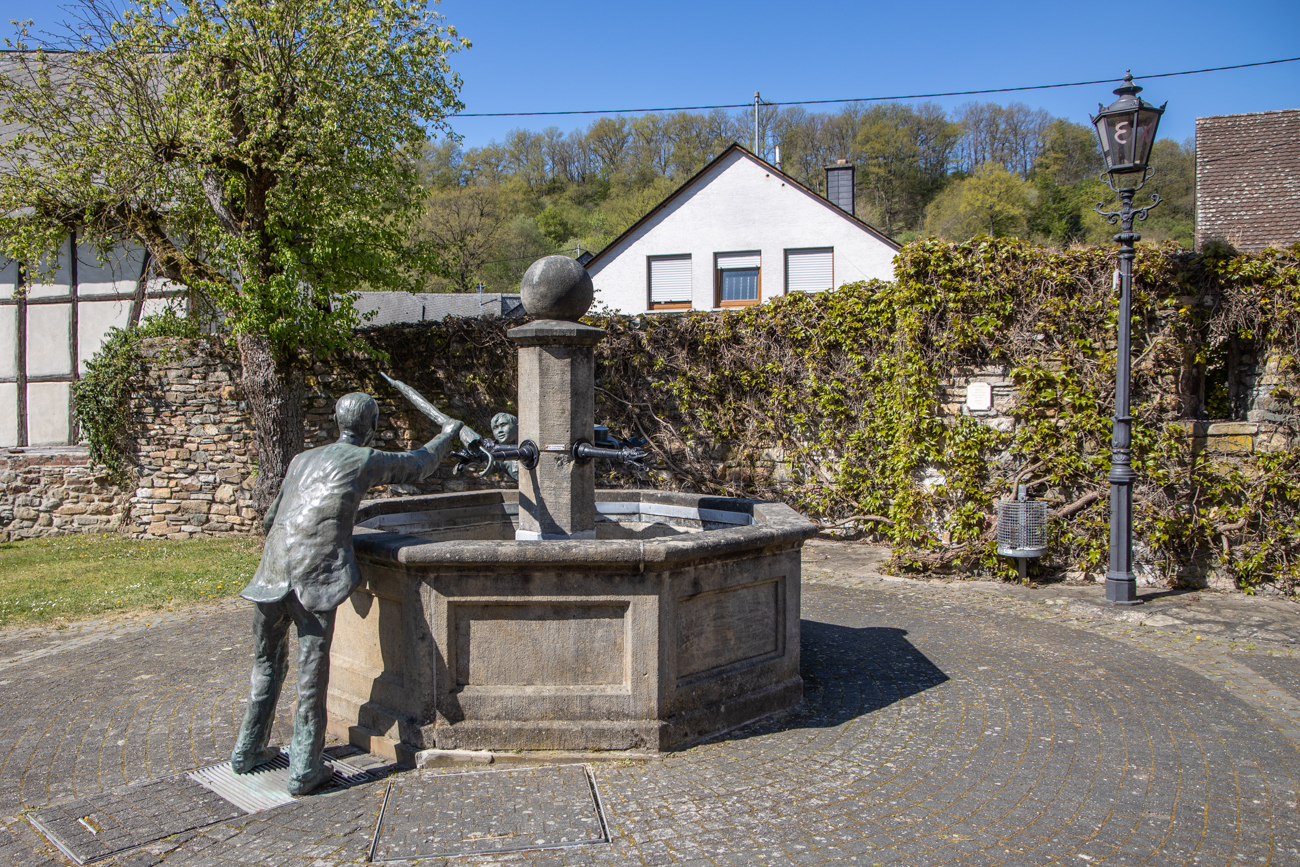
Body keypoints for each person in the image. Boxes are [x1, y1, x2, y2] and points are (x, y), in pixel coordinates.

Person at [230, 391, 462, 795]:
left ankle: (246, 750)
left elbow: (271, 518)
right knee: (311, 671)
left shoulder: (301, 460)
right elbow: (419, 466)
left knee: (266, 663)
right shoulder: (365, 458)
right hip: (314, 578)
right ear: (370, 427)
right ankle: (304, 768)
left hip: (272, 571)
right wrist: (448, 433)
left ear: (338, 422)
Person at [490, 412, 520, 481]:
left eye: (503, 425)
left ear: (517, 426)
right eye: (495, 428)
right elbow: (494, 465)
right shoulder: (500, 455)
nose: (499, 431)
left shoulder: (529, 443)